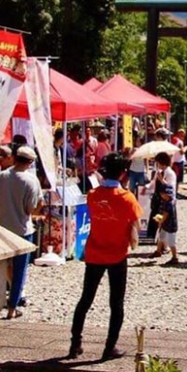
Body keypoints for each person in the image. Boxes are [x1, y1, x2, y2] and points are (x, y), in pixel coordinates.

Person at [68, 153, 143, 361]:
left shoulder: (93, 195)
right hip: (117, 254)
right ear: (123, 173)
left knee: (85, 299)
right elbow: (138, 224)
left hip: (94, 252)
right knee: (116, 303)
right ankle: (109, 346)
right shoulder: (127, 198)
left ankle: (75, 343)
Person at [0, 146, 41, 319]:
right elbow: (30, 209)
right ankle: (12, 307)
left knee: (0, 266)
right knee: (20, 271)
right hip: (22, 229)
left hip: (1, 227)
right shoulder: (31, 181)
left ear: (15, 158)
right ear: (30, 162)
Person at [148, 151, 179, 265]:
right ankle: (158, 250)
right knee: (161, 232)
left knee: (169, 236)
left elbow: (169, 187)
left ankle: (175, 256)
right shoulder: (161, 172)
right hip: (164, 201)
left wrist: (161, 180)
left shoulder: (170, 173)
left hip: (169, 202)